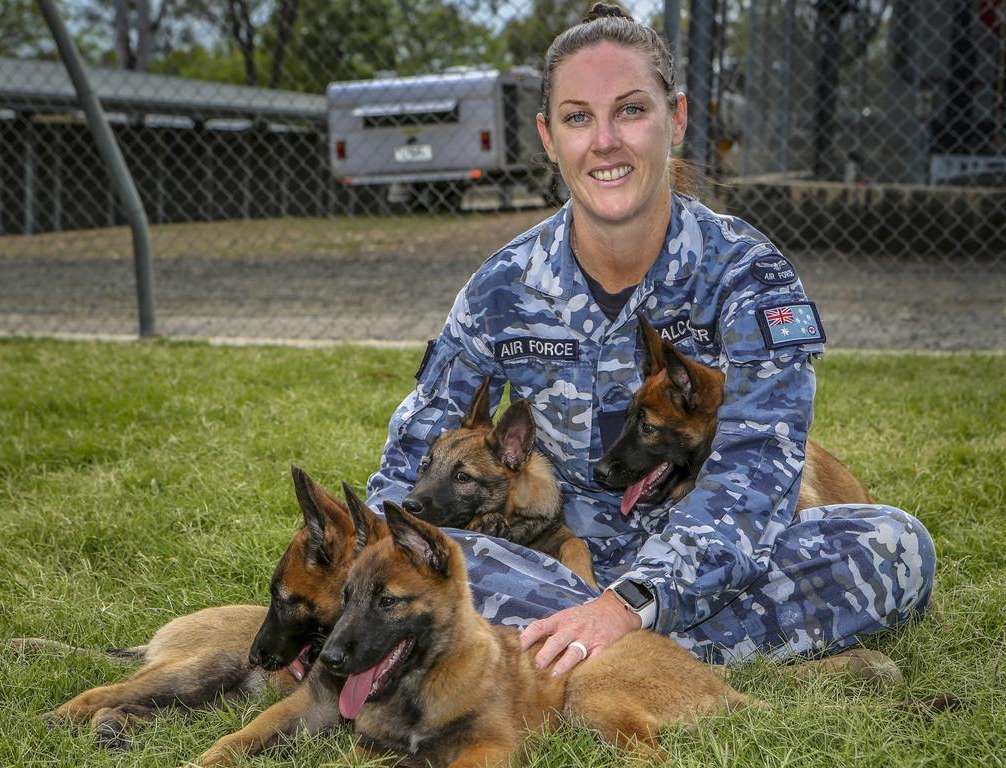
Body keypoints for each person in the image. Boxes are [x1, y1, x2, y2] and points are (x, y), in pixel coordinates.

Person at [365, 2, 935, 678]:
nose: (604, 141)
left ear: (678, 118)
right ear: (549, 137)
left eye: (631, 110)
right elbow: (411, 464)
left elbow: (754, 482)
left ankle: (557, 659)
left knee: (894, 543)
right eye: (579, 117)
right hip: (554, 561)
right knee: (440, 554)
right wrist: (358, 580)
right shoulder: (504, 285)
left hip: (706, 563)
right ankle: (652, 664)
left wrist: (631, 602)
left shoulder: (748, 274)